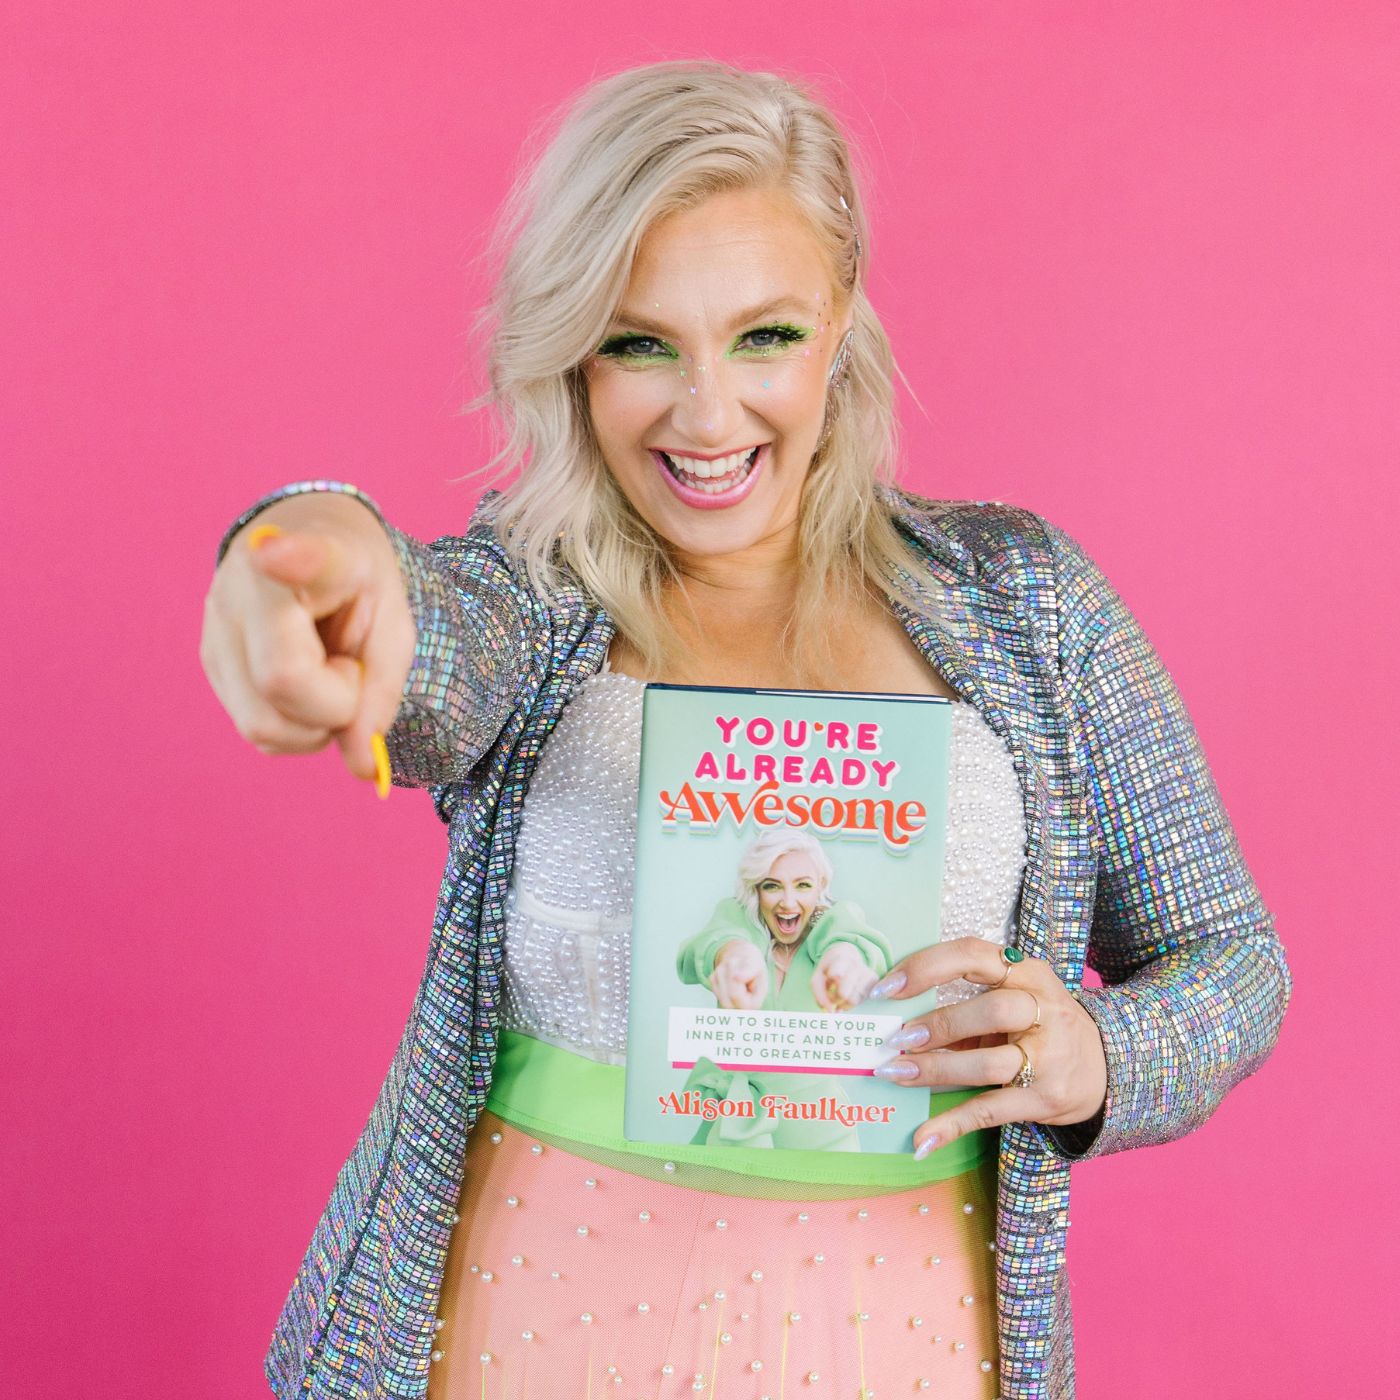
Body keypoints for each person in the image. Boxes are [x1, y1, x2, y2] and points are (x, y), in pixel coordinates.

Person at [200, 60, 1290, 1400]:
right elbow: (420, 633)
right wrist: (310, 550)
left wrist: (1098, 1056)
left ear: (840, 321)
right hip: (529, 1317)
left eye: (764, 335)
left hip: (905, 1337)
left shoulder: (1026, 605)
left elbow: (1233, 962)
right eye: (639, 344)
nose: (707, 416)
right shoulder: (531, 601)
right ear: (570, 356)